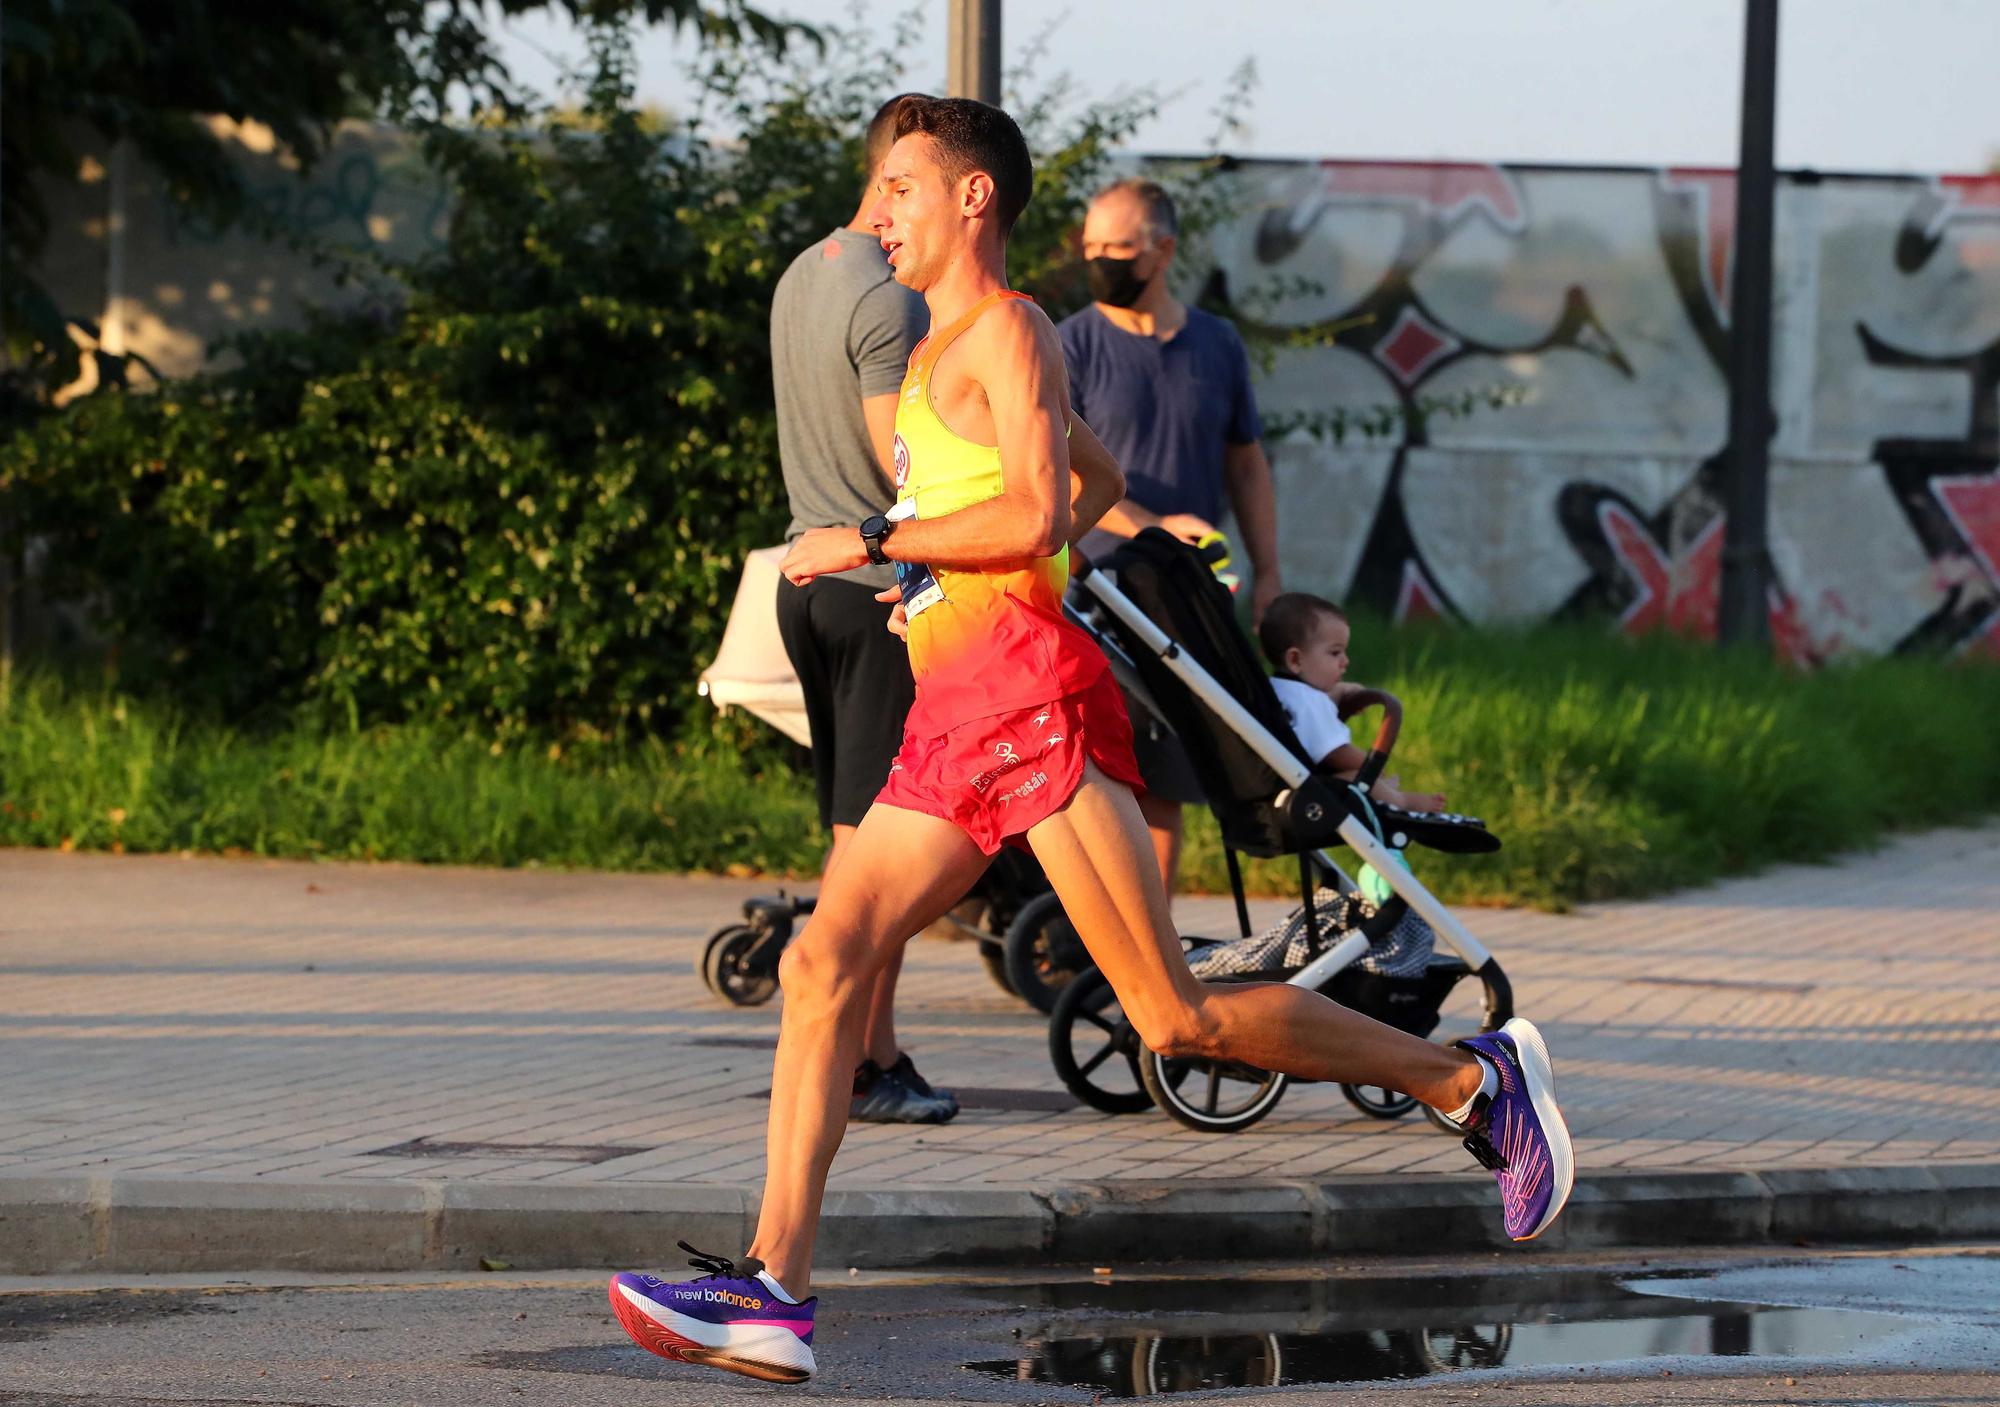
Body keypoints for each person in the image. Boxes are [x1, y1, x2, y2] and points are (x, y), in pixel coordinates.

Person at [609, 97, 1573, 1386]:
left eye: (900, 187)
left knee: (1169, 1019)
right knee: (822, 961)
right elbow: (1090, 488)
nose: (876, 211)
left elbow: (1031, 512)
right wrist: (941, 579)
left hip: (1031, 709)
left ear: (971, 200)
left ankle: (1467, 1085)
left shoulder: (1003, 329)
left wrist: (885, 545)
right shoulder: (947, 336)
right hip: (955, 716)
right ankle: (775, 1286)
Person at [769, 92, 955, 1125]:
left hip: (806, 587)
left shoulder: (804, 271)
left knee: (851, 833)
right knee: (873, 847)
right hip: (873, 592)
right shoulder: (887, 297)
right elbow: (905, 461)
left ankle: (851, 1049)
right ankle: (863, 1058)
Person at [1058, 177, 1284, 893]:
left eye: (1116, 248)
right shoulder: (1068, 345)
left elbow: (1245, 463)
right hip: (1093, 593)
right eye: (1090, 247)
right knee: (1099, 777)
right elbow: (1060, 474)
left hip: (1183, 599)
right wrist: (1155, 529)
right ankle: (1084, 940)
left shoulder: (1216, 344)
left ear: (1163, 251)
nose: (1100, 262)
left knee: (1168, 781)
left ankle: (1150, 967)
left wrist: (1269, 574)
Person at [1258, 591, 1448, 813]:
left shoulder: (1275, 690)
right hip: (1305, 799)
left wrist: (1339, 691)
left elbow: (1305, 716)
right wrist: (1375, 770)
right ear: (1295, 659)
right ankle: (1404, 803)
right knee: (1359, 778)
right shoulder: (1310, 702)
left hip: (1276, 788)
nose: (1345, 662)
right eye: (1335, 653)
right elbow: (1337, 753)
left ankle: (1391, 793)